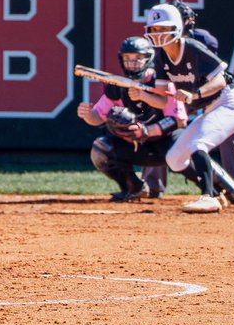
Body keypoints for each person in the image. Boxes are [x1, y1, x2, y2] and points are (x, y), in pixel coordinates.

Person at [141, 3, 234, 214]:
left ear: (176, 27)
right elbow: (165, 101)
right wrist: (143, 96)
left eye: (162, 28)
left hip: (229, 102)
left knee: (198, 143)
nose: (158, 34)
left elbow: (220, 81)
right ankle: (219, 192)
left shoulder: (191, 47)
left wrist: (194, 95)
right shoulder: (161, 57)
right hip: (210, 108)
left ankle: (208, 197)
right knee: (174, 158)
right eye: (154, 29)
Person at [77, 36, 188, 203]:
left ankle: (221, 188)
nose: (132, 63)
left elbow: (180, 120)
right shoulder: (117, 86)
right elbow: (97, 117)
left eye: (138, 58)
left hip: (165, 141)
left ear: (149, 59)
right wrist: (87, 114)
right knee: (101, 149)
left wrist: (149, 129)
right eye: (127, 58)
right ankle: (134, 188)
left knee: (192, 148)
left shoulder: (162, 82)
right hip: (139, 145)